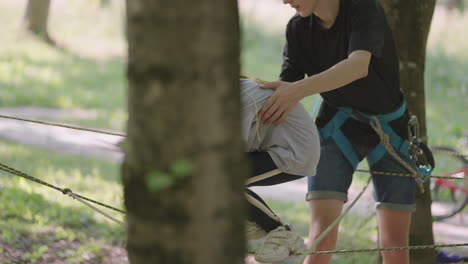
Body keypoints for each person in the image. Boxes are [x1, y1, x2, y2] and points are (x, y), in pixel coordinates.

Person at [257, 1, 416, 263]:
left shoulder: (363, 8)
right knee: (320, 239)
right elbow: (286, 88)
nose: (284, 0)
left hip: (391, 131)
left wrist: (296, 90)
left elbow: (358, 66)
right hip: (337, 128)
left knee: (395, 246)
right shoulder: (297, 29)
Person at [240, 78, 320, 263]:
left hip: (295, 152)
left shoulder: (238, 98)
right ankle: (263, 229)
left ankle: (282, 235)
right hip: (272, 147)